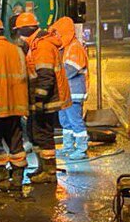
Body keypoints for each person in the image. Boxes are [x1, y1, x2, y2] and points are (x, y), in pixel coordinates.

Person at [14, 12, 71, 184]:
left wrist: (39, 99)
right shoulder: (35, 45)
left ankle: (49, 171)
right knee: (34, 133)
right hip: (41, 99)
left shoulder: (42, 46)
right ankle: (42, 167)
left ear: (25, 30)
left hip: (47, 100)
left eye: (19, 32)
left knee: (43, 134)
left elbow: (45, 76)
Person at [0, 16, 29, 191]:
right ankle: (17, 180)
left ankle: (1, 179)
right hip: (16, 106)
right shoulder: (16, 50)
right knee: (16, 142)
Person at [51, 17, 89, 161]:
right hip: (66, 93)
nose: (57, 37)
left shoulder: (75, 48)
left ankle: (81, 149)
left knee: (75, 121)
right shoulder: (66, 48)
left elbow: (69, 71)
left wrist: (53, 74)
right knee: (65, 122)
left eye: (58, 34)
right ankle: (68, 147)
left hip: (74, 93)